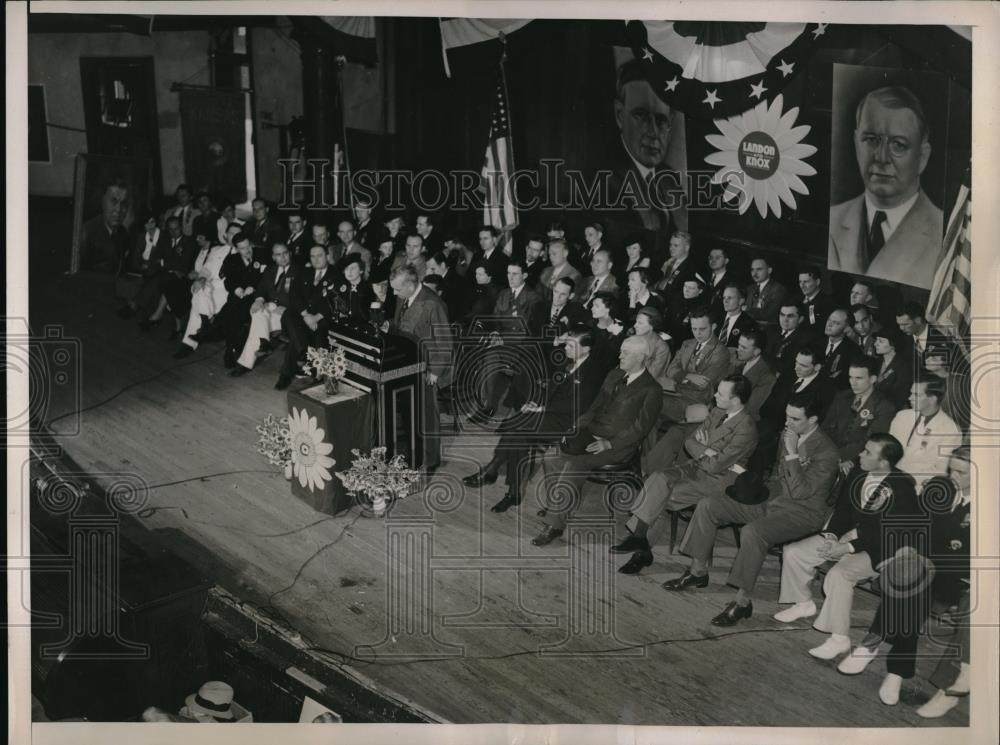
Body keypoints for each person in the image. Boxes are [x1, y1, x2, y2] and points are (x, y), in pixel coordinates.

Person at [656, 395, 839, 625]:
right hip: (773, 501)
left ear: (813, 420)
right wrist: (756, 491)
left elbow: (801, 492)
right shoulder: (790, 434)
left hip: (804, 512)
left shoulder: (827, 453)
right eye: (786, 416)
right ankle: (697, 572)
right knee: (709, 505)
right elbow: (776, 475)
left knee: (753, 532)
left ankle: (742, 603)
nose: (787, 423)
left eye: (795, 418)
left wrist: (792, 453)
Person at [776, 435, 918, 666]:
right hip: (847, 537)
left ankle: (839, 637)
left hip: (881, 549)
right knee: (794, 552)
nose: (860, 454)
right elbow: (842, 510)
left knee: (839, 575)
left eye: (868, 452)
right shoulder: (858, 473)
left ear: (884, 463)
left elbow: (888, 534)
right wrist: (832, 535)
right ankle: (803, 603)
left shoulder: (902, 488)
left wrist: (848, 547)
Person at [612, 375, 758, 573]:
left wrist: (703, 446)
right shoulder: (717, 411)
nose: (714, 395)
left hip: (720, 480)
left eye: (721, 393)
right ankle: (640, 539)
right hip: (697, 467)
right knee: (658, 478)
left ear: (735, 400)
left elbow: (716, 466)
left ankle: (641, 550)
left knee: (662, 495)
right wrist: (706, 449)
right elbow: (689, 441)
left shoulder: (746, 428)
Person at [531, 335, 663, 546]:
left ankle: (554, 525)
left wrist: (609, 444)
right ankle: (558, 505)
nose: (620, 355)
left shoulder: (652, 389)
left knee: (576, 463)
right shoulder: (614, 374)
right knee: (551, 456)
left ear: (641, 357)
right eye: (621, 350)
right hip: (592, 432)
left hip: (618, 445)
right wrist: (575, 427)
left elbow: (641, 428)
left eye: (626, 353)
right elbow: (594, 406)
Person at [464, 327, 605, 513]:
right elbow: (552, 389)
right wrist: (534, 403)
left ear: (586, 349)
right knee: (517, 432)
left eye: (571, 345)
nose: (565, 348)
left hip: (568, 421)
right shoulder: (571, 362)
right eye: (566, 344)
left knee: (516, 429)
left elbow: (577, 405)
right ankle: (511, 490)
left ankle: (496, 473)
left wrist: (542, 408)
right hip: (550, 414)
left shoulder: (593, 373)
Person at [828, 85, 943, 289]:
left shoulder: (942, 234)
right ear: (856, 143)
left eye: (898, 145)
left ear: (922, 157)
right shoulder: (834, 218)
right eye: (871, 140)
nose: (881, 157)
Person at [602, 59, 688, 261]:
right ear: (620, 115)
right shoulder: (606, 179)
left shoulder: (668, 179)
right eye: (640, 116)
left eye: (661, 120)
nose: (653, 134)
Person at [915, 445, 972, 718]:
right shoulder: (947, 493)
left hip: (966, 577)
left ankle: (951, 687)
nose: (953, 476)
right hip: (944, 570)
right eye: (951, 470)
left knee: (973, 612)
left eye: (960, 472)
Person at [383, 265, 452, 470]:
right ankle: (412, 450)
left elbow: (445, 342)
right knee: (408, 410)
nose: (394, 293)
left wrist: (435, 372)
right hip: (407, 363)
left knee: (428, 415)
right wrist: (388, 326)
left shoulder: (432, 304)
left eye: (397, 289)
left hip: (427, 368)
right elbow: (401, 324)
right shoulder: (403, 297)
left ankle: (430, 460)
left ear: (410, 284)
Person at [469, 261, 544, 423]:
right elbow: (496, 318)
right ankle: (486, 404)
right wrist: (495, 332)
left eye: (515, 273)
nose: (511, 277)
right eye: (509, 273)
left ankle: (487, 406)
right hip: (501, 340)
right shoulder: (503, 293)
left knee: (490, 355)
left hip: (521, 345)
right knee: (484, 352)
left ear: (524, 275)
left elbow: (526, 329)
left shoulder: (533, 298)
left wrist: (502, 339)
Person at [275, 245, 339, 390]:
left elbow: (334, 300)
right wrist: (305, 315)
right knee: (289, 317)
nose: (316, 259)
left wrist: (316, 317)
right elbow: (294, 295)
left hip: (320, 318)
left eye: (320, 255)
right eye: (313, 256)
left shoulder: (335, 274)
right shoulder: (304, 272)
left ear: (327, 255)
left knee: (297, 336)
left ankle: (287, 373)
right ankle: (304, 352)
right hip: (302, 316)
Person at [820, 358, 898, 475]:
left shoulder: (884, 406)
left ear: (873, 379)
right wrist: (831, 456)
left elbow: (870, 441)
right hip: (830, 455)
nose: (853, 382)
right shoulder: (842, 397)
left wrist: (841, 458)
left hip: (858, 461)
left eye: (859, 378)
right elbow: (827, 429)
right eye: (851, 377)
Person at [230, 242, 297, 377]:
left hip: (287, 314)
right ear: (273, 257)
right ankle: (264, 342)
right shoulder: (270, 271)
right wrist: (259, 300)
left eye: (285, 253)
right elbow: (261, 289)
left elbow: (304, 297)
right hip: (271, 311)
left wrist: (287, 307)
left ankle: (247, 361)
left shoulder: (299, 271)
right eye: (278, 255)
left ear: (289, 254)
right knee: (257, 310)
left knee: (257, 323)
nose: (283, 257)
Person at [887, 378, 963, 492]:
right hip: (888, 477)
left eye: (916, 395)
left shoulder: (951, 430)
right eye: (911, 393)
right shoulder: (901, 416)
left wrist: (907, 481)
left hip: (916, 487)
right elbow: (887, 450)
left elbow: (940, 470)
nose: (909, 398)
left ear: (932, 399)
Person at [658, 309, 732, 425]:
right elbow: (670, 370)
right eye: (694, 329)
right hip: (674, 392)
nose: (697, 333)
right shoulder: (687, 343)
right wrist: (688, 376)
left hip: (695, 402)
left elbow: (702, 384)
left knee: (649, 403)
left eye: (702, 329)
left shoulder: (721, 352)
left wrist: (678, 375)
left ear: (713, 327)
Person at [172, 229, 233, 358]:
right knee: (199, 289)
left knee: (197, 304)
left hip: (226, 289)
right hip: (211, 283)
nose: (233, 236)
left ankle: (189, 343)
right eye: (231, 233)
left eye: (237, 233)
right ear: (225, 235)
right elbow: (206, 269)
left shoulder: (244, 252)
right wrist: (201, 279)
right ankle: (205, 323)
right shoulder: (216, 250)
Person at [81, 178, 132, 273]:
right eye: (113, 201)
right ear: (102, 201)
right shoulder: (85, 233)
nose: (118, 209)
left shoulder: (123, 234)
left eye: (124, 204)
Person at [732, 328, 776, 421]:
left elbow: (750, 409)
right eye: (739, 345)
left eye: (743, 347)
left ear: (757, 351)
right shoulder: (737, 359)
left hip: (742, 419)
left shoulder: (767, 377)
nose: (738, 350)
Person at [766, 302, 813, 379]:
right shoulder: (770, 330)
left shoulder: (804, 340)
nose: (785, 320)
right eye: (782, 315)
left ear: (800, 319)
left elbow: (787, 367)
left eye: (790, 316)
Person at [819, 309, 860, 390]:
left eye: (835, 323)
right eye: (829, 320)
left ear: (846, 329)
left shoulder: (853, 351)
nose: (829, 324)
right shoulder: (816, 343)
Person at [873, 327, 914, 409]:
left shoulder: (903, 366)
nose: (875, 344)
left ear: (893, 345)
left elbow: (900, 398)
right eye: (876, 340)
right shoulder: (876, 363)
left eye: (881, 341)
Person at [745, 256, 787, 329]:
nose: (754, 273)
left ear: (769, 270)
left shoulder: (778, 289)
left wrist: (745, 310)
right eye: (752, 270)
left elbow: (768, 314)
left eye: (759, 269)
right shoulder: (749, 288)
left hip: (767, 331)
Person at [715, 284, 760, 351]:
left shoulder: (749, 324)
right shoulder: (716, 318)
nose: (725, 301)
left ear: (741, 301)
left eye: (729, 298)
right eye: (724, 297)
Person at [243, 198, 286, 263]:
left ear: (267, 209)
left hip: (266, 262)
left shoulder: (275, 227)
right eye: (254, 209)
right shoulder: (248, 225)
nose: (256, 212)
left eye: (260, 209)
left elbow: (275, 250)